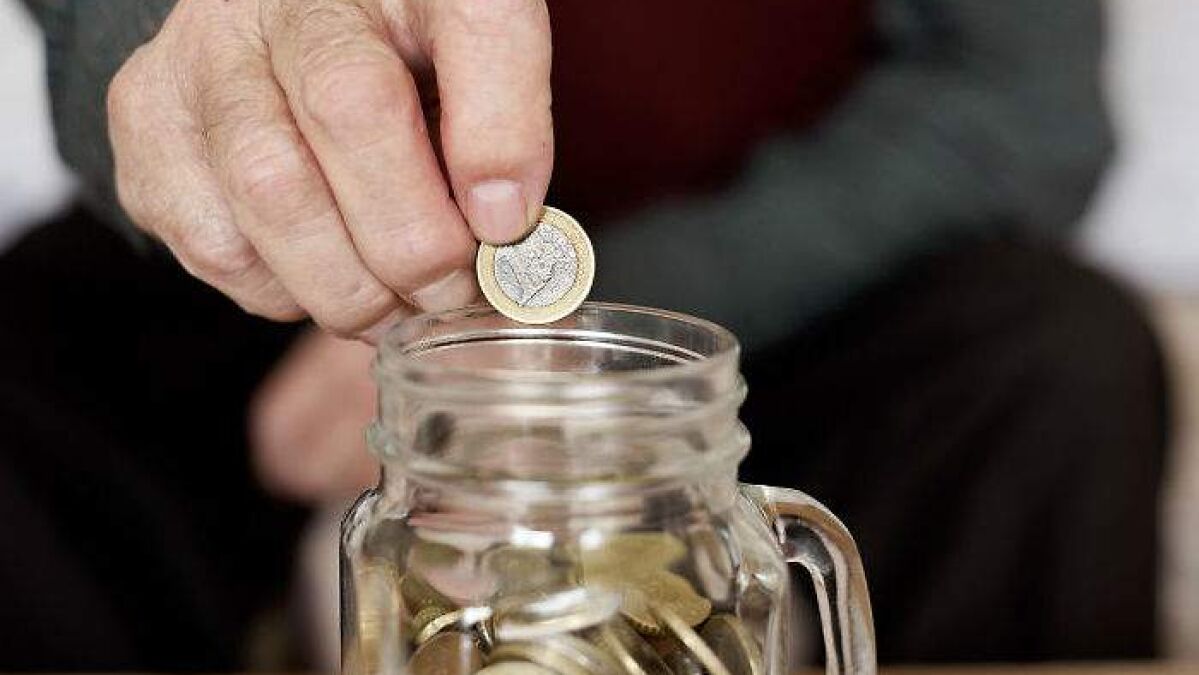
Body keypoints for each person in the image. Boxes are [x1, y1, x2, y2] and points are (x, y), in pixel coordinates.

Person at [1, 0, 1167, 668]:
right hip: (288, 276)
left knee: (1058, 365)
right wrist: (170, 48)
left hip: (762, 300)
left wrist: (585, 336)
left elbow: (1022, 107)